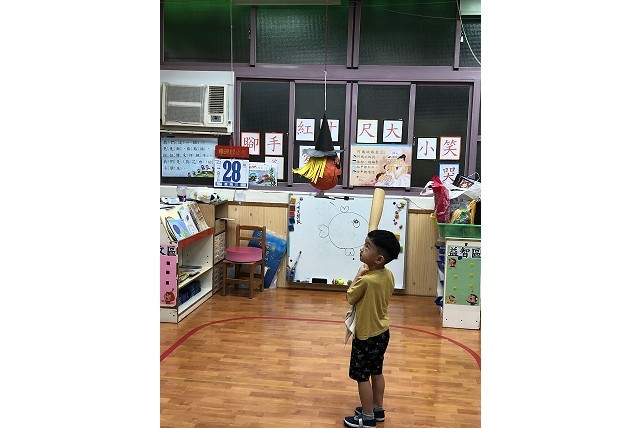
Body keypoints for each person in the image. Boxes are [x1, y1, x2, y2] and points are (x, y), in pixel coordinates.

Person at [343, 229, 400, 428]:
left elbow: (350, 296)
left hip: (366, 335)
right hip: (382, 332)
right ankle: (377, 409)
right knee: (377, 371)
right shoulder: (388, 275)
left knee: (362, 377)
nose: (362, 249)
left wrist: (358, 274)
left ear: (379, 258)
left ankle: (367, 418)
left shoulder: (366, 280)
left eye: (367, 246)